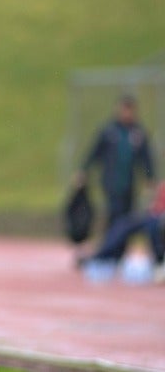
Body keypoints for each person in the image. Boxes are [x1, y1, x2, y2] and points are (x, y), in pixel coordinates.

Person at [76, 94, 156, 261]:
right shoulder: (109, 131)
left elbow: (146, 158)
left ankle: (119, 252)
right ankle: (107, 252)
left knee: (126, 220)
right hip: (111, 183)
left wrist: (150, 178)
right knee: (114, 217)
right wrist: (83, 171)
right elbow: (94, 152)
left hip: (129, 184)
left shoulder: (137, 133)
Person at [87, 180, 165, 283]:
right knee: (123, 224)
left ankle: (158, 261)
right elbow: (153, 206)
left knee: (154, 226)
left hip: (158, 220)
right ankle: (103, 255)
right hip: (152, 216)